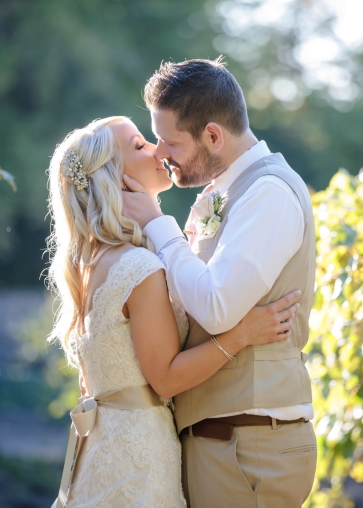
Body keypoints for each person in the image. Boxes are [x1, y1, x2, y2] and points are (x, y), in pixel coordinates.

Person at [46, 116, 301, 508]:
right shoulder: (138, 267)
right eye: (139, 145)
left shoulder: (91, 263)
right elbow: (164, 379)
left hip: (105, 447)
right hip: (139, 459)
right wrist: (241, 334)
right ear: (116, 178)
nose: (156, 150)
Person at [122, 58, 317, 507]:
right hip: (226, 439)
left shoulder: (267, 192)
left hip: (248, 443)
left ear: (213, 135)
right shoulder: (223, 193)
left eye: (170, 141)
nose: (159, 152)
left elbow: (215, 307)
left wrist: (158, 224)